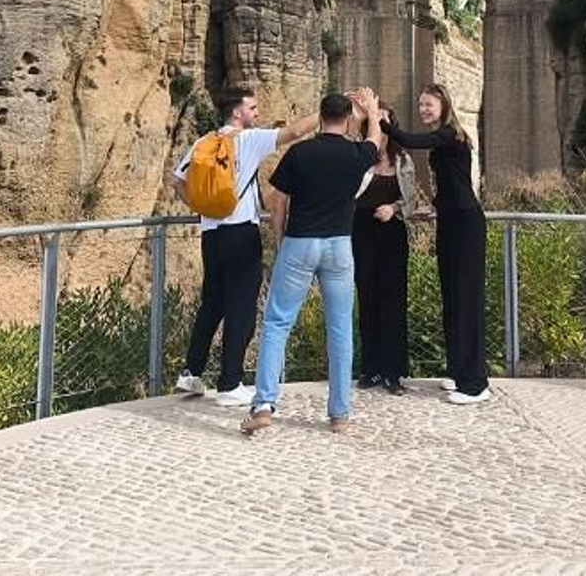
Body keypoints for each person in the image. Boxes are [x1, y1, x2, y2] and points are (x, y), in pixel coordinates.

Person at [241, 89, 384, 436]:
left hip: (300, 242)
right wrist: (372, 110)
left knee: (277, 323)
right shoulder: (356, 153)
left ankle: (263, 405)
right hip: (339, 245)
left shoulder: (300, 153)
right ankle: (339, 414)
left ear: (320, 117)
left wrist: (281, 239)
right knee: (340, 328)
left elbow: (277, 201)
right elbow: (375, 140)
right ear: (347, 120)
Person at [172, 87, 318, 408]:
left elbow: (177, 180)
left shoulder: (204, 142)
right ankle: (229, 384)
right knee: (241, 307)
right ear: (237, 113)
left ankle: (191, 372)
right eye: (252, 108)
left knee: (212, 303)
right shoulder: (248, 140)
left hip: (211, 234)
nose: (256, 113)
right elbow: (294, 132)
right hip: (240, 233)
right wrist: (331, 110)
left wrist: (201, 207)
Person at [383, 83, 490, 404]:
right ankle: (459, 372)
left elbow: (410, 141)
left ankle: (476, 384)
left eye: (428, 104)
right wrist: (436, 205)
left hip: (466, 224)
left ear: (444, 105)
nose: (423, 109)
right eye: (420, 104)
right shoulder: (444, 138)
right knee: (452, 296)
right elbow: (452, 181)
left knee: (466, 300)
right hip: (451, 220)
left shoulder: (449, 134)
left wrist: (381, 122)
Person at [352, 103, 416, 395]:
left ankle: (394, 372)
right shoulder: (360, 155)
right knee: (367, 298)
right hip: (361, 231)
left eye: (383, 120)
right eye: (374, 121)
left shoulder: (402, 159)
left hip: (392, 232)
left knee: (394, 300)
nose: (379, 125)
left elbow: (412, 199)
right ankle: (371, 368)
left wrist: (394, 208)